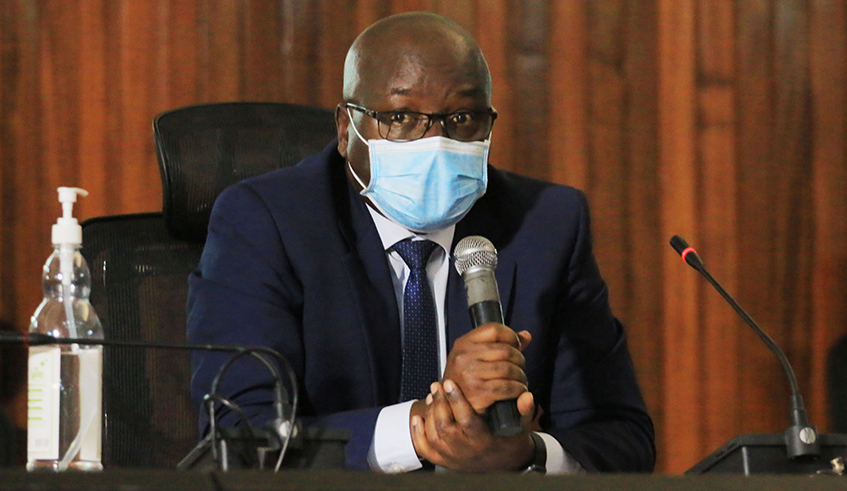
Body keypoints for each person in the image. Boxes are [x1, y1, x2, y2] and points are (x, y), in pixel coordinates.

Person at [187, 12, 655, 473]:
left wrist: (524, 453)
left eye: (462, 117)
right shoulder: (268, 223)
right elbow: (241, 438)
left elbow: (621, 440)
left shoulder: (546, 226)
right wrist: (425, 430)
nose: (436, 140)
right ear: (346, 128)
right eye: (400, 117)